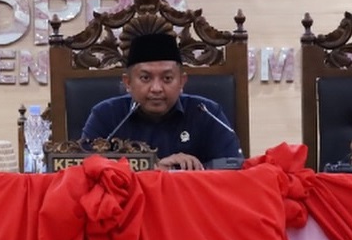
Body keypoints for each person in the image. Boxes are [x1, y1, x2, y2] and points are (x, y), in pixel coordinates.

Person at [80, 32, 243, 170]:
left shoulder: (206, 112)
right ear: (128, 83)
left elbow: (232, 171)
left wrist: (191, 171)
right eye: (145, 78)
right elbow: (85, 171)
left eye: (167, 78)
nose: (156, 88)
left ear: (182, 82)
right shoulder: (106, 115)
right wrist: (154, 169)